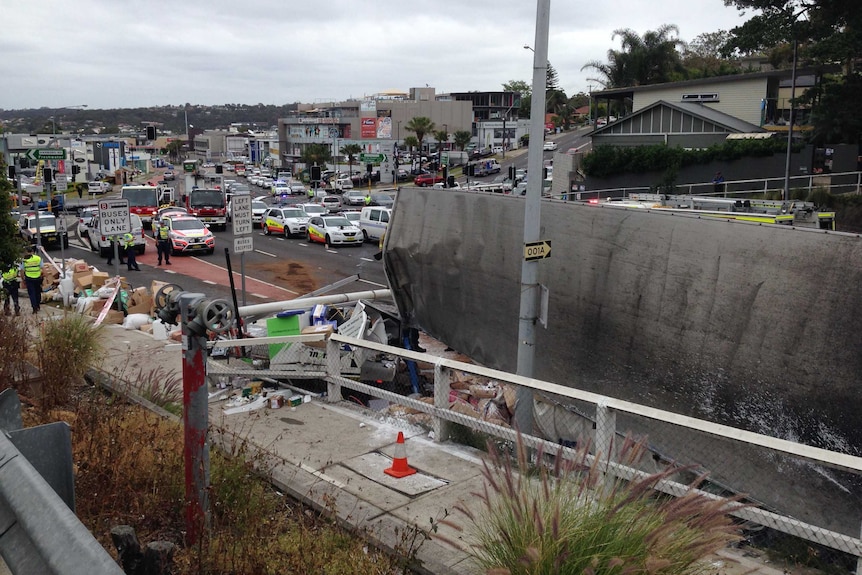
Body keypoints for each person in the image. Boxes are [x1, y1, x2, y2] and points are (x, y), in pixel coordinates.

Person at [20, 247, 42, 314]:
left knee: (32, 293)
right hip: (38, 278)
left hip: (29, 278)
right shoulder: (38, 258)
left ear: (26, 252)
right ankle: (38, 305)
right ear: (33, 251)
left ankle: (34, 307)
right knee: (38, 292)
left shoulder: (24, 260)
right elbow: (43, 268)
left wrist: (23, 279)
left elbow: (22, 270)